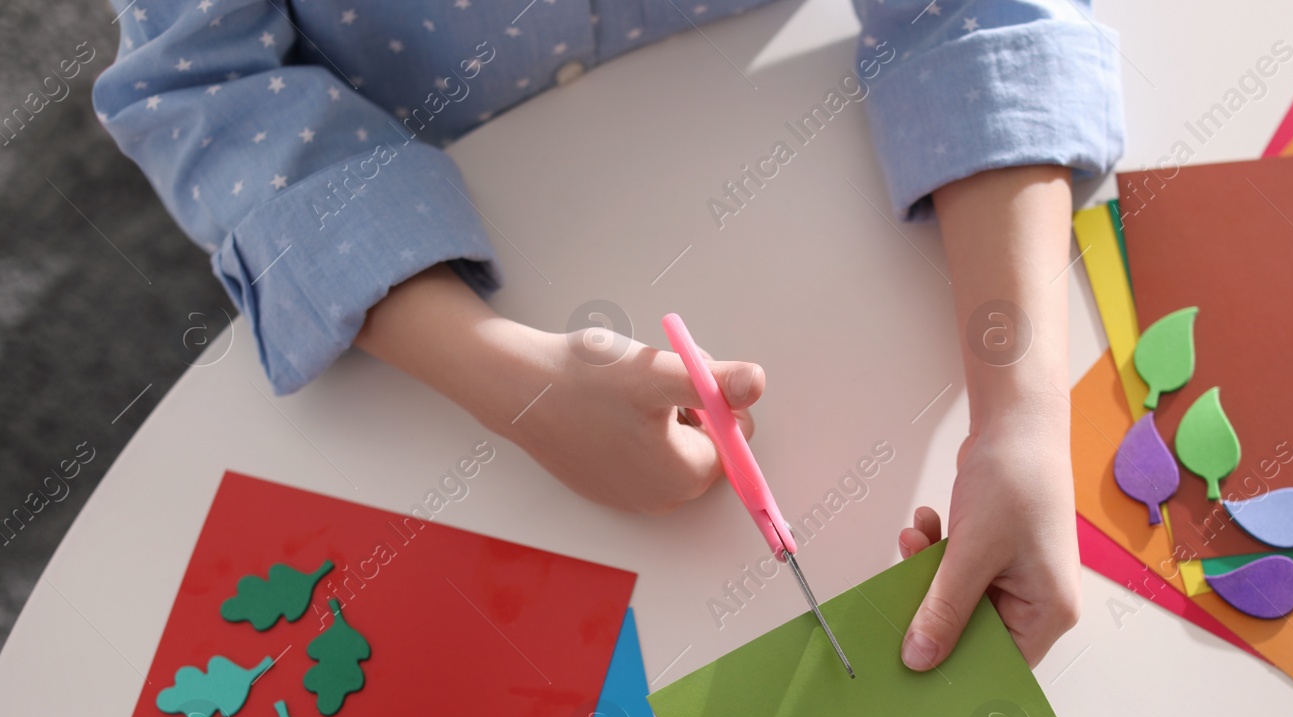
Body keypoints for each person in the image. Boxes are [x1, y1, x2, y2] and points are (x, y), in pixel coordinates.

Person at [95, 0, 1124, 672]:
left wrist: (1019, 415)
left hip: (773, 132)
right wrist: (504, 379)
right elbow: (201, 90)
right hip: (427, 248)